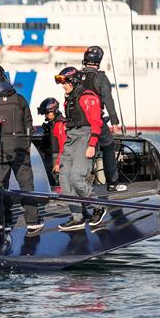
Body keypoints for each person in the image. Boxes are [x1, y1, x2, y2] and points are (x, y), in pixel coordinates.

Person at [0, 81, 42, 233]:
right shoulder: (20, 99)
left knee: (0, 186)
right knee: (26, 184)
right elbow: (28, 123)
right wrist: (27, 143)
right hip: (20, 147)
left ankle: (4, 221)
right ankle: (32, 220)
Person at [55, 67, 108, 231]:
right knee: (64, 178)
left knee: (77, 177)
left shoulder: (87, 97)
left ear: (74, 81)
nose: (63, 86)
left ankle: (98, 207)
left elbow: (96, 122)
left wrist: (92, 144)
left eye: (65, 83)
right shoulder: (69, 98)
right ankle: (77, 217)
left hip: (85, 137)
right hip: (72, 137)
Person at [80, 45, 126, 192]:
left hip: (78, 122)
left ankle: (81, 184)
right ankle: (112, 184)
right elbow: (108, 100)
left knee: (82, 150)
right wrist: (114, 122)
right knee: (108, 146)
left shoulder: (77, 76)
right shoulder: (100, 78)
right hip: (95, 121)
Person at [37, 97, 66, 187]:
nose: (45, 116)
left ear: (53, 110)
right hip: (50, 156)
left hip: (56, 157)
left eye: (46, 113)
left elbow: (63, 145)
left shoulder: (60, 124)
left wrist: (58, 163)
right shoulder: (51, 124)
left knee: (57, 184)